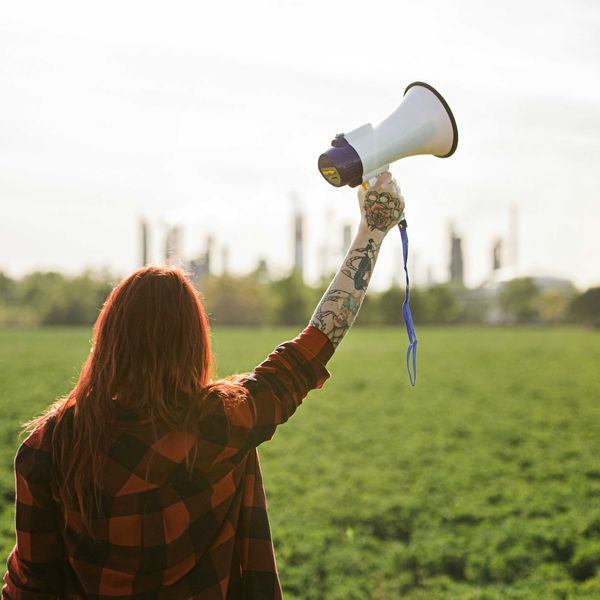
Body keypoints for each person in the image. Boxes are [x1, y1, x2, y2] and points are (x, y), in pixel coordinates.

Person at [2, 172, 405, 599]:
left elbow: (32, 584)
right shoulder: (223, 422)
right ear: (193, 342)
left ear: (108, 340)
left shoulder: (48, 447)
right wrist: (373, 229)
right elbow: (318, 342)